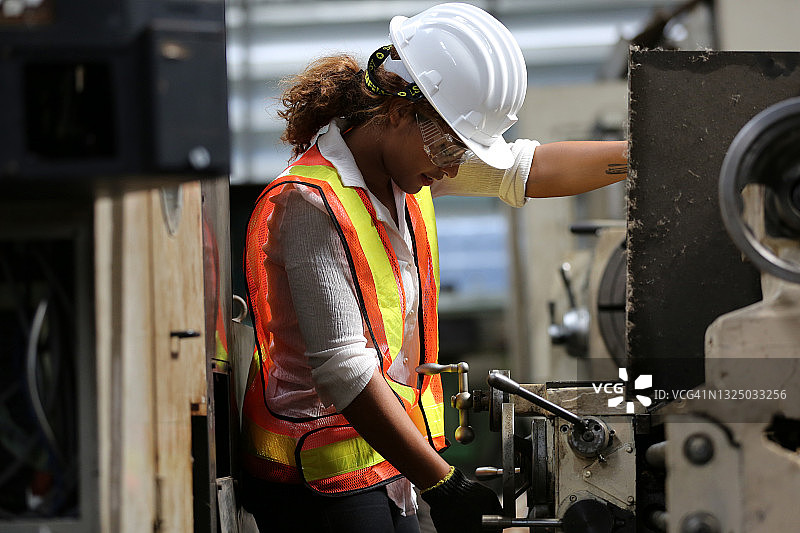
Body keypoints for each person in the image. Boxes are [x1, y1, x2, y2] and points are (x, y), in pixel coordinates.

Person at [240, 3, 627, 532]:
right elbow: (343, 369)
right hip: (318, 474)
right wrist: (442, 482)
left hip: (389, 459)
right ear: (398, 112)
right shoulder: (310, 202)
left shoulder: (408, 162)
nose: (451, 167)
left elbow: (526, 168)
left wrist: (641, 156)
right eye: (450, 146)